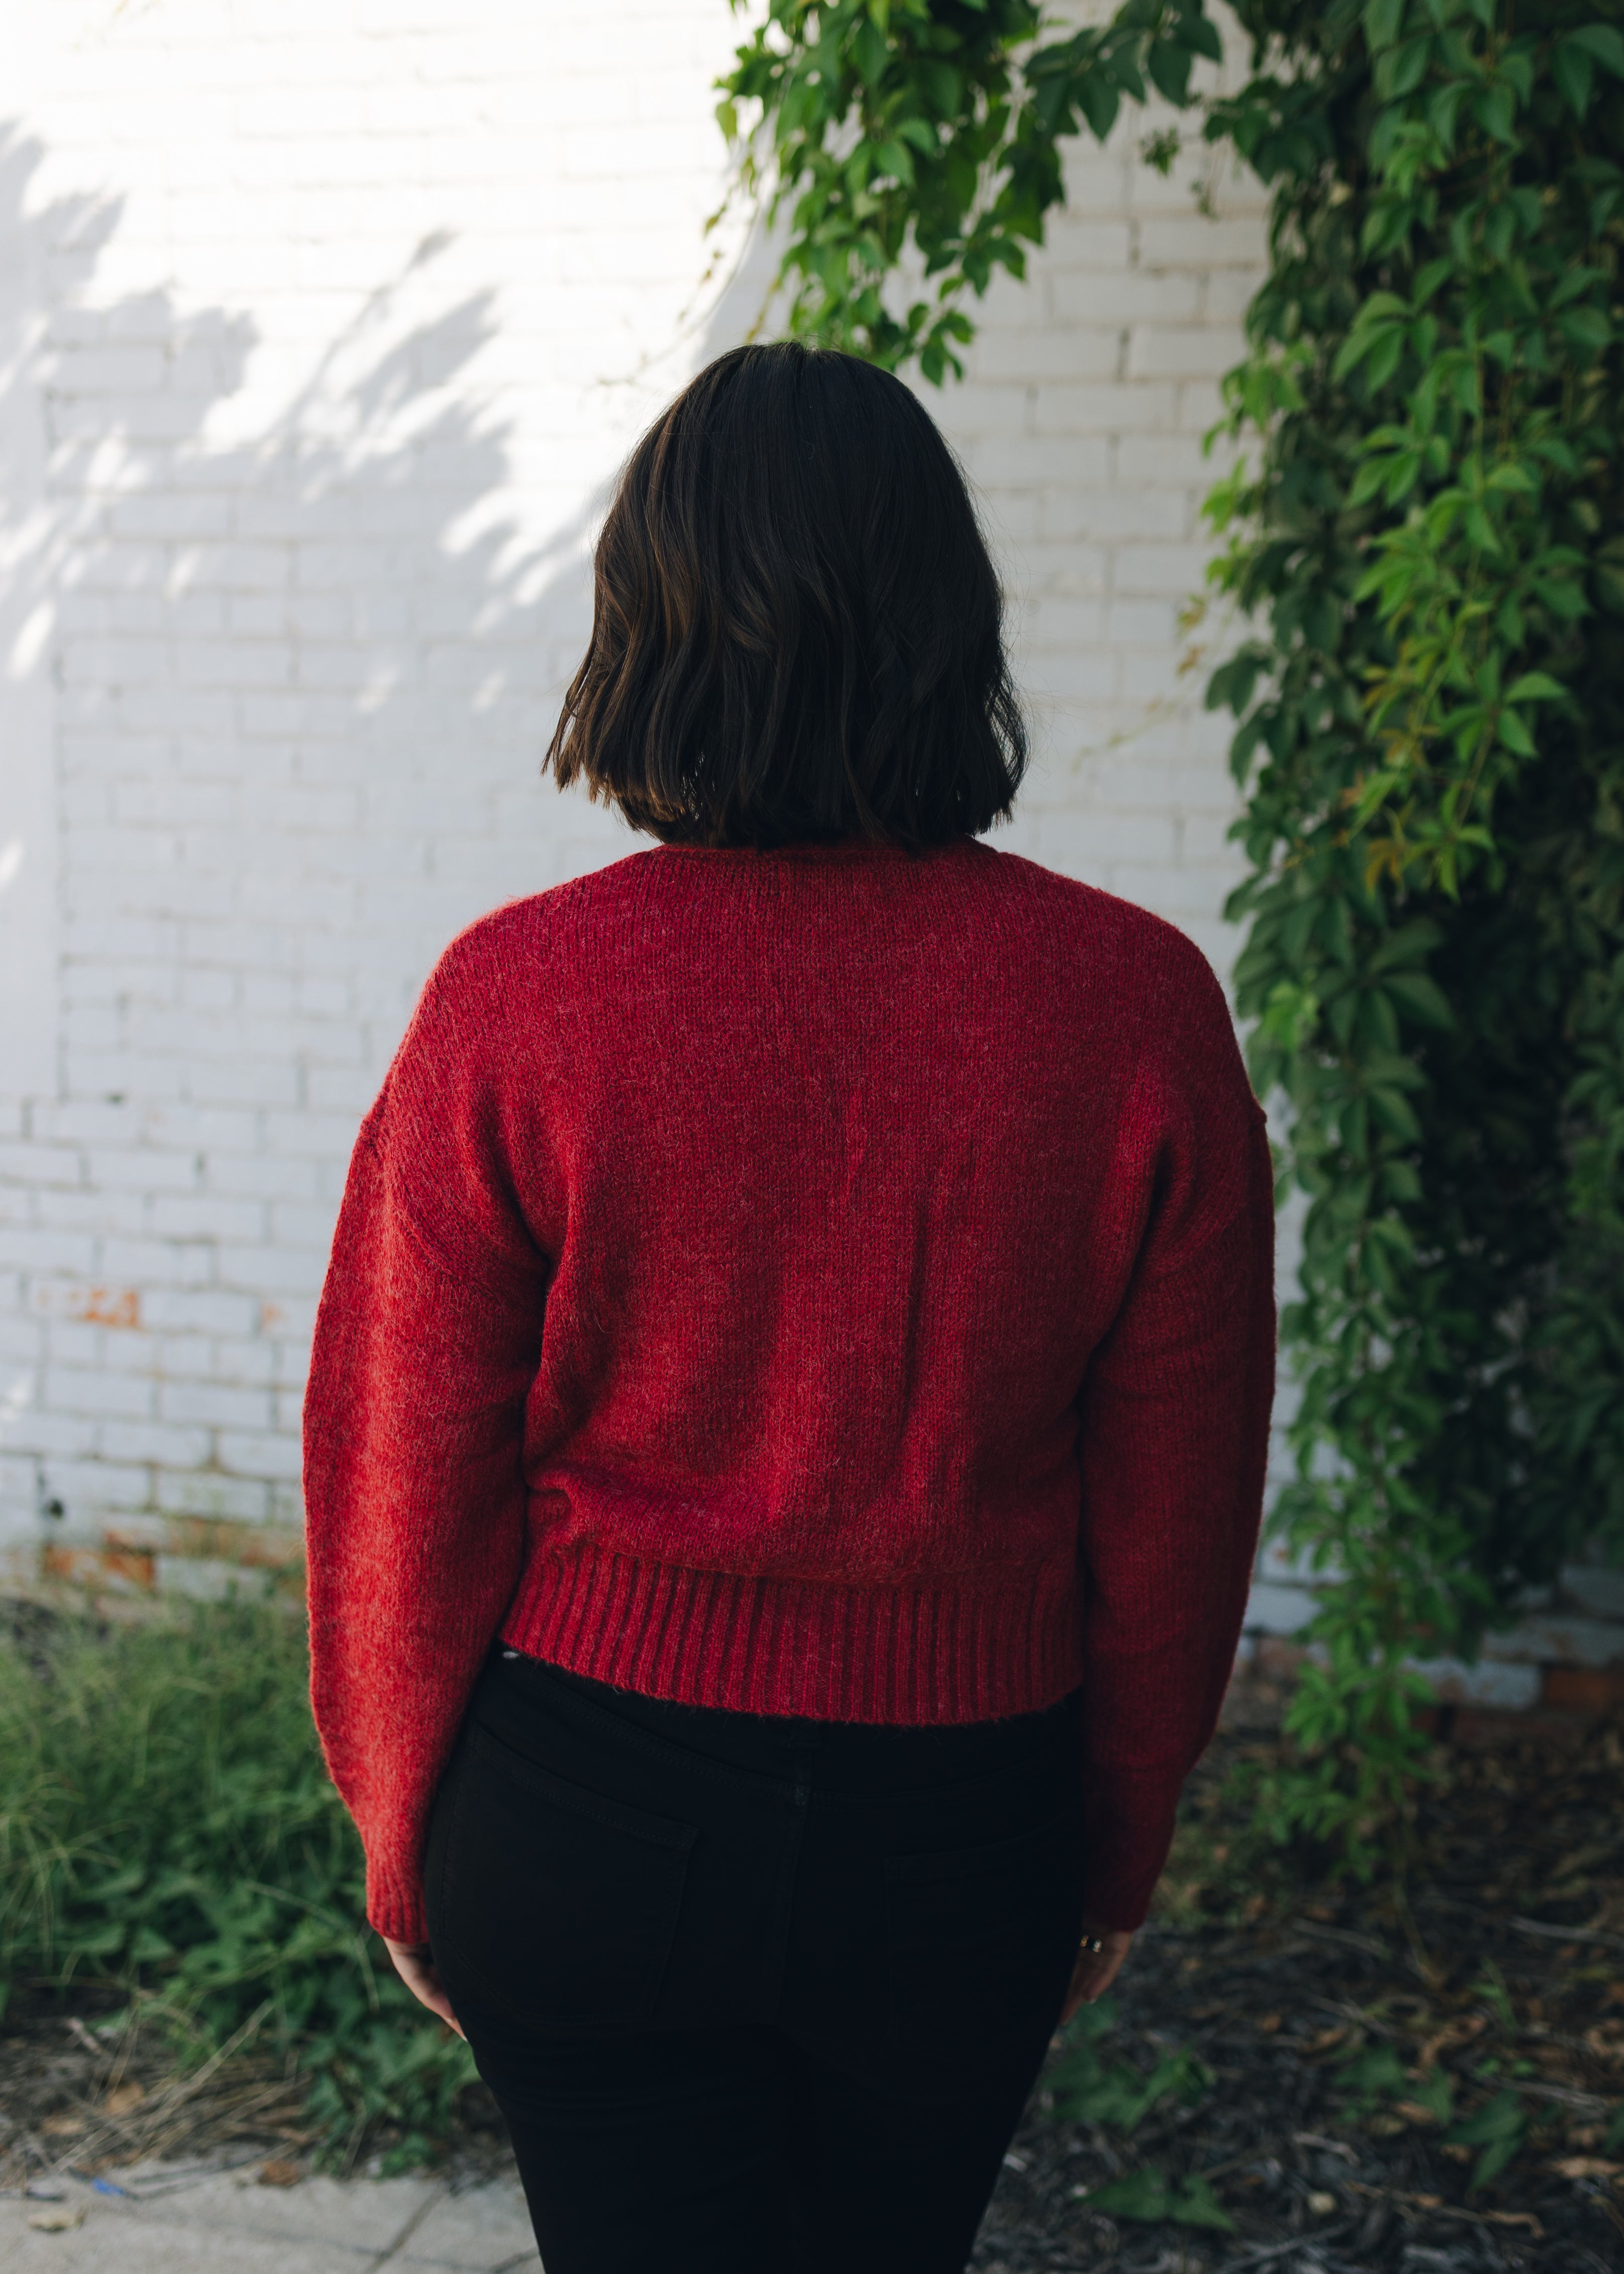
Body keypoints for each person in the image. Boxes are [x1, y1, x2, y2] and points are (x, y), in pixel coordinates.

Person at [303, 340, 1276, 2274]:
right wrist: (1116, 1831)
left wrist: (399, 1817)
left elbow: (400, 1465)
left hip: (584, 1809)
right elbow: (1177, 1505)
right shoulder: (1134, 1005)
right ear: (951, 626)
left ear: (641, 632)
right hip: (965, 1820)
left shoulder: (518, 1000)